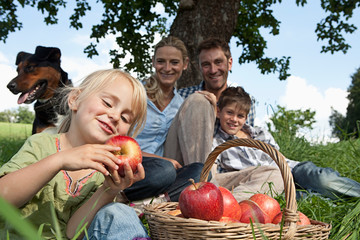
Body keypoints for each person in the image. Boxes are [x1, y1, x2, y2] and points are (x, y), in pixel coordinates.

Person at [0, 69, 150, 239]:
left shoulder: (105, 171)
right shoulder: (41, 144)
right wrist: (59, 160)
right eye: (107, 103)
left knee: (118, 212)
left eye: (125, 118)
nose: (115, 116)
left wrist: (108, 190)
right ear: (75, 99)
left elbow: (74, 234)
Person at [213, 86, 360, 201]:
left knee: (324, 181)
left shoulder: (259, 133)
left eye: (240, 116)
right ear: (219, 112)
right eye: (229, 113)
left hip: (292, 170)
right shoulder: (217, 143)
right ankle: (343, 203)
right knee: (308, 199)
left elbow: (278, 157)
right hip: (268, 184)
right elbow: (218, 175)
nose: (234, 119)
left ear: (246, 118)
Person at [129, 36, 204, 203]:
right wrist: (161, 160)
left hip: (156, 172)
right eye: (161, 61)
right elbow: (119, 144)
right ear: (153, 62)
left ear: (185, 64)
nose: (167, 68)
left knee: (200, 171)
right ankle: (124, 197)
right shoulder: (136, 93)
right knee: (165, 171)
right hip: (130, 165)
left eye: (174, 62)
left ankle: (155, 202)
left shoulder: (180, 105)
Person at [163, 37, 256, 166]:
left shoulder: (245, 102)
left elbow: (242, 144)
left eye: (218, 62)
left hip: (223, 167)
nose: (213, 70)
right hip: (182, 165)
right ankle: (201, 181)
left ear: (230, 63)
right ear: (200, 67)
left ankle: (212, 182)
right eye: (206, 64)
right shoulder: (182, 96)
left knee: (271, 175)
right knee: (199, 101)